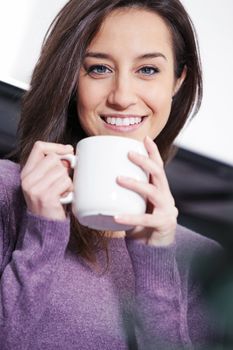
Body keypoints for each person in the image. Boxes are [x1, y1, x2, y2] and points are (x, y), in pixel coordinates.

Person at [0, 0, 225, 349]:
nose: (122, 97)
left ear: (178, 81)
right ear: (71, 77)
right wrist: (42, 233)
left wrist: (157, 263)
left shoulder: (201, 259)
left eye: (148, 70)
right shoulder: (6, 193)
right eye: (99, 69)